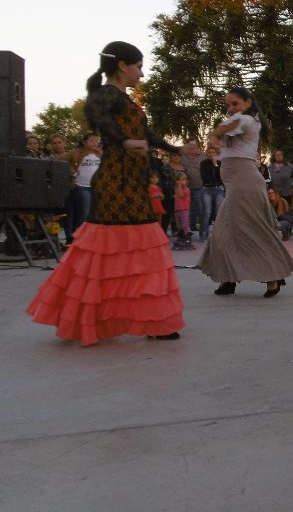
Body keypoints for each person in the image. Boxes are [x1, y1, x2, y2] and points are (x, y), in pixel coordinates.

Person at [27, 41, 184, 344]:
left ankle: (131, 320)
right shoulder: (106, 95)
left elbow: (145, 135)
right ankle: (150, 322)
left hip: (131, 181)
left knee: (120, 250)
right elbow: (97, 115)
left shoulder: (126, 100)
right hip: (115, 182)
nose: (141, 73)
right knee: (125, 249)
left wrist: (176, 148)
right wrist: (124, 141)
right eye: (139, 66)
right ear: (123, 66)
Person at [197, 86, 293, 298]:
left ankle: (273, 276)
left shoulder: (249, 121)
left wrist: (215, 133)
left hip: (246, 181)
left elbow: (232, 125)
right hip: (234, 183)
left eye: (236, 104)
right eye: (229, 105)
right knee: (227, 231)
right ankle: (229, 278)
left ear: (248, 103)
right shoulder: (234, 121)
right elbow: (224, 132)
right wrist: (216, 136)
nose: (231, 108)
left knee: (252, 229)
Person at [61, 132, 102, 246]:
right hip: (81, 186)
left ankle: (90, 237)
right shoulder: (76, 152)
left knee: (94, 213)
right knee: (84, 212)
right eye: (92, 140)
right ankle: (80, 237)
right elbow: (60, 160)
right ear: (84, 142)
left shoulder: (100, 153)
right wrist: (71, 170)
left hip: (96, 187)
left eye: (96, 140)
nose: (95, 143)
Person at [180, 139, 206, 241]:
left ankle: (203, 234)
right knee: (187, 212)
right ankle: (187, 234)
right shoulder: (183, 156)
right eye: (190, 145)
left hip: (200, 187)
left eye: (194, 145)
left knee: (201, 211)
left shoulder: (203, 156)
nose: (192, 147)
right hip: (185, 189)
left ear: (197, 146)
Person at [198, 145, 224, 241]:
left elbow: (221, 177)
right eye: (209, 152)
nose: (211, 154)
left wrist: (215, 164)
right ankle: (204, 234)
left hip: (218, 189)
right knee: (207, 212)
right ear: (206, 154)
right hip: (207, 189)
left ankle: (218, 235)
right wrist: (214, 177)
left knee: (219, 212)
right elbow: (205, 177)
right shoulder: (203, 164)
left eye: (213, 152)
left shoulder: (220, 163)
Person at [172, 172, 194, 249]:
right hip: (177, 209)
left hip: (184, 209)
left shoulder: (186, 189)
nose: (183, 181)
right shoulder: (177, 188)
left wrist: (179, 186)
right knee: (179, 225)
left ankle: (188, 238)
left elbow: (181, 195)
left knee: (185, 224)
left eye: (184, 180)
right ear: (177, 181)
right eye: (181, 180)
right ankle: (181, 238)